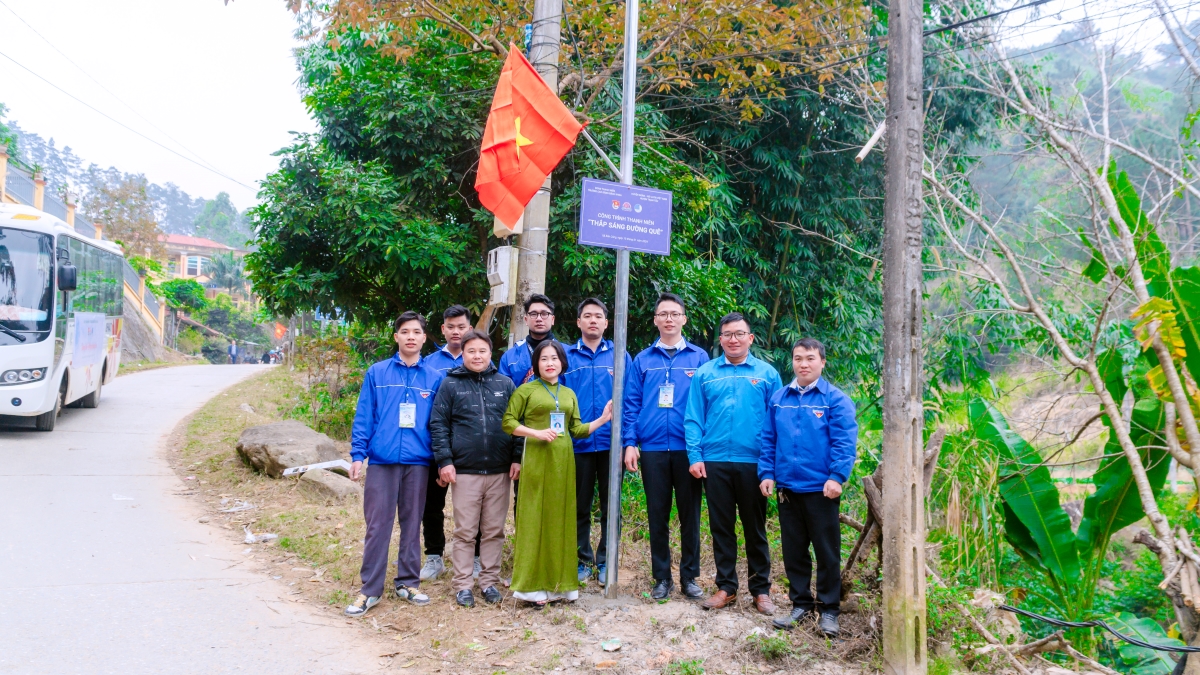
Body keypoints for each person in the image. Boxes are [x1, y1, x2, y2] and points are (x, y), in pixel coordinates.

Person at [344, 311, 445, 617]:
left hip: (418, 463)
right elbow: (365, 415)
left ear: (425, 338)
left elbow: (438, 425)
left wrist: (441, 462)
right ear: (396, 337)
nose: (411, 336)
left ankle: (408, 582)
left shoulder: (435, 378)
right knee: (377, 527)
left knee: (412, 524)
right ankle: (369, 590)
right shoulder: (377, 373)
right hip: (383, 462)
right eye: (405, 331)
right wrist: (358, 455)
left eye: (416, 332)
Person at [684, 312, 782, 615]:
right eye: (727, 334)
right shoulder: (706, 373)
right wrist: (695, 456)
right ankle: (726, 587)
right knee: (721, 527)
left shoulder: (767, 374)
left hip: (753, 462)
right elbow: (693, 417)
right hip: (714, 462)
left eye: (739, 334)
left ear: (750, 338)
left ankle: (760, 590)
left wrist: (769, 465)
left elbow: (777, 422)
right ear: (720, 340)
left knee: (755, 528)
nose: (733, 339)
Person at [502, 340, 612, 608]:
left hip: (563, 459)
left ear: (563, 362)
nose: (549, 363)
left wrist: (602, 420)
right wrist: (535, 432)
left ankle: (560, 586)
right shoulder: (525, 391)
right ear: (536, 364)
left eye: (554, 358)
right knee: (534, 516)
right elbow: (508, 423)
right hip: (538, 458)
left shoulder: (569, 394)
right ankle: (531, 587)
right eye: (543, 359)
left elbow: (576, 429)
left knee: (560, 518)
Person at [760, 338, 858, 636]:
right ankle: (800, 605)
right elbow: (768, 439)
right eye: (798, 358)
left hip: (821, 489)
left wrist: (837, 477)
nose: (803, 364)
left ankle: (829, 610)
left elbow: (844, 443)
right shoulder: (779, 398)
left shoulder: (835, 399)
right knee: (794, 551)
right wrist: (767, 473)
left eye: (810, 358)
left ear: (822, 362)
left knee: (827, 552)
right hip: (788, 489)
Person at [621, 293, 709, 601]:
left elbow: (706, 406)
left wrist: (701, 448)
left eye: (675, 314)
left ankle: (689, 577)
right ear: (656, 320)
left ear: (684, 319)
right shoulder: (643, 360)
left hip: (689, 450)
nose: (669, 319)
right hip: (654, 449)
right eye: (663, 314)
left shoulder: (699, 359)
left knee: (690, 516)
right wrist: (630, 443)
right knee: (657, 514)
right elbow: (631, 404)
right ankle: (661, 578)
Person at [430, 329, 518, 608]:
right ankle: (463, 585)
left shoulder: (505, 384)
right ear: (463, 354)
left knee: (494, 530)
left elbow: (517, 424)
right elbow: (439, 424)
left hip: (500, 470)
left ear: (491, 353)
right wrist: (445, 461)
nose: (477, 356)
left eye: (482, 351)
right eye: (471, 351)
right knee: (465, 531)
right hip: (465, 471)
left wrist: (516, 458)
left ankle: (489, 582)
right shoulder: (450, 385)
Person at [562, 298, 631, 585]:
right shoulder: (565, 356)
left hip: (611, 445)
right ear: (578, 322)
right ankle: (581, 560)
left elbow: (630, 401)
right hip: (577, 444)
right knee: (578, 506)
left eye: (598, 316)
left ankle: (605, 562)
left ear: (606, 323)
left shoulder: (620, 355)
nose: (592, 320)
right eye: (587, 316)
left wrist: (628, 442)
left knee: (610, 506)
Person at [419, 305, 476, 583]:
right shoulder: (429, 363)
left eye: (461, 327)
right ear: (443, 329)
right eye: (451, 327)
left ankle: (474, 558)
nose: (456, 332)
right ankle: (434, 556)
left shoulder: (479, 359)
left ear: (470, 328)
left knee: (473, 505)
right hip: (436, 444)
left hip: (470, 446)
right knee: (432, 505)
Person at [499, 294, 557, 386]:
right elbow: (503, 393)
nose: (539, 319)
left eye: (544, 314)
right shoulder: (509, 357)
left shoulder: (567, 354)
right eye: (533, 314)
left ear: (552, 319)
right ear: (526, 320)